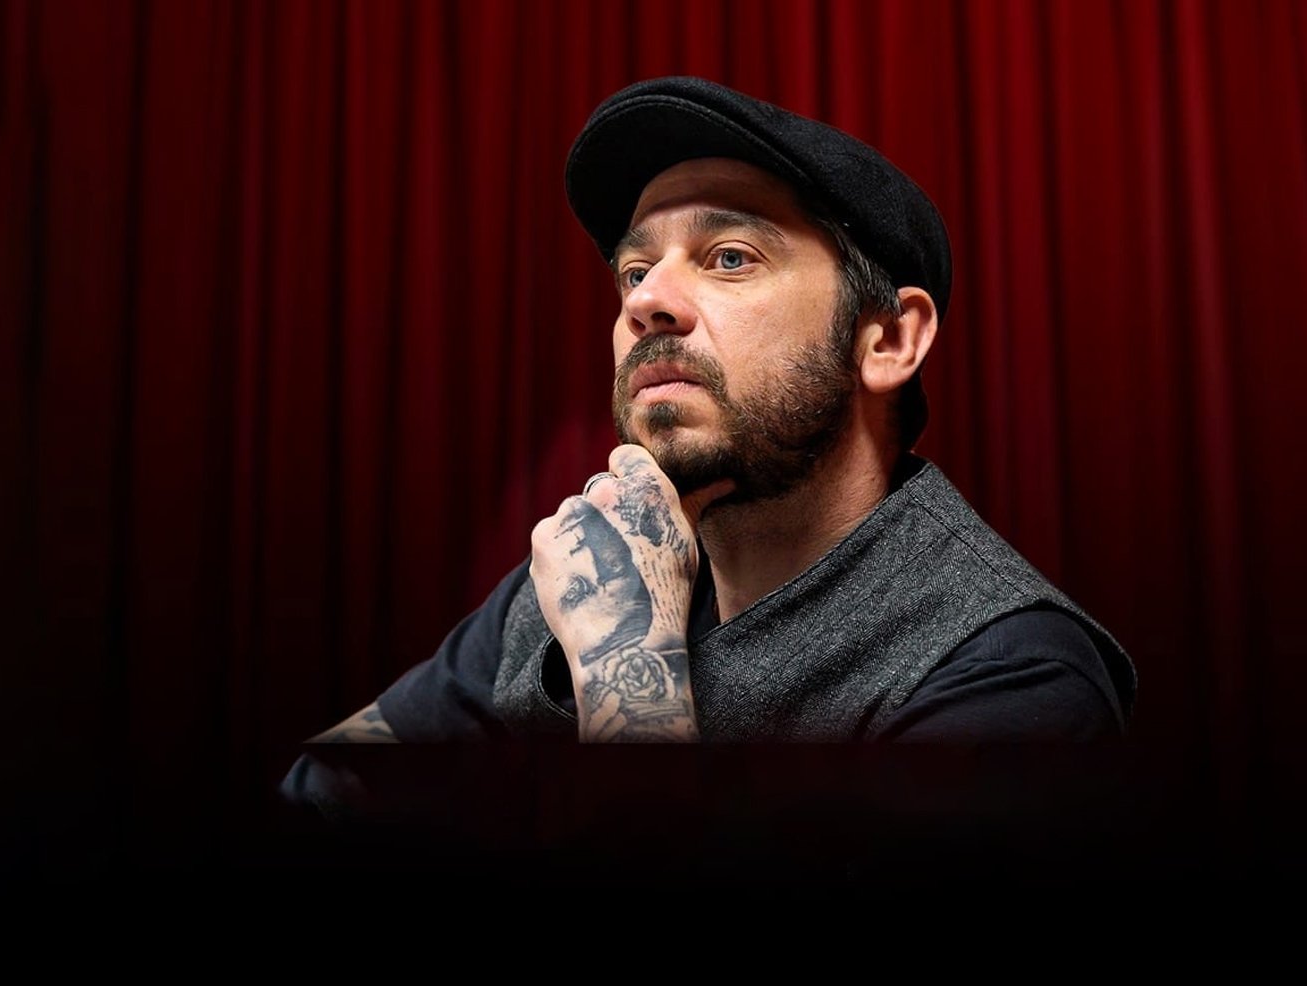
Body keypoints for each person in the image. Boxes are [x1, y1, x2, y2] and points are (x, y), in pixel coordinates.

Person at [281, 77, 1136, 817]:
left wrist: (624, 668)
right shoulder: (580, 577)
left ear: (887, 340)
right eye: (634, 271)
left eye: (728, 257)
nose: (645, 302)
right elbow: (323, 790)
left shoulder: (1011, 678)